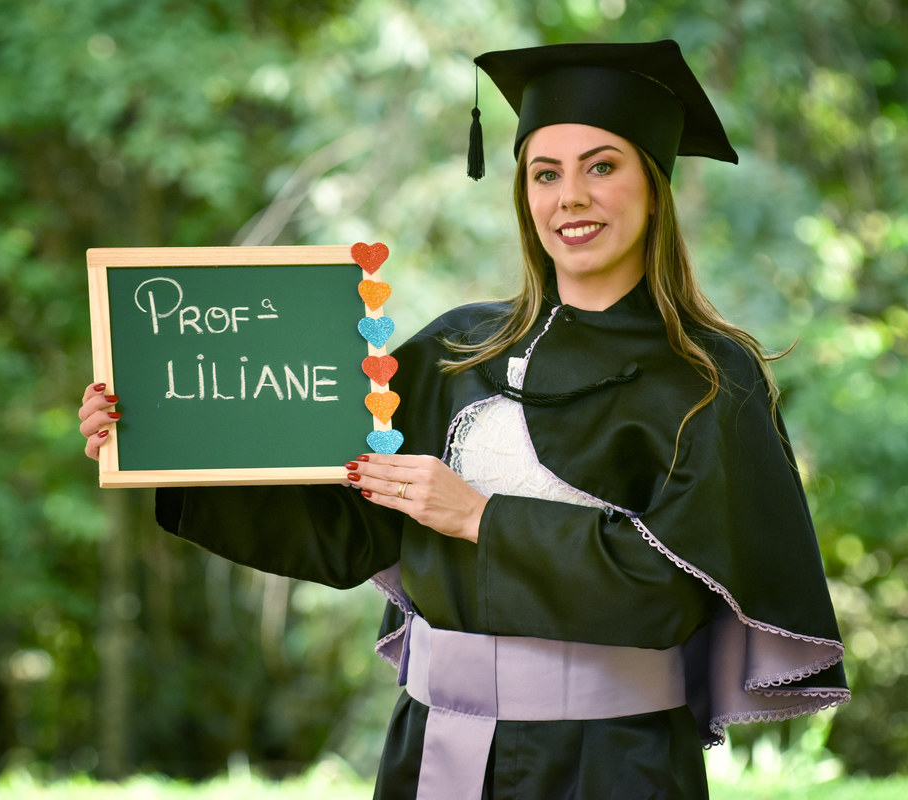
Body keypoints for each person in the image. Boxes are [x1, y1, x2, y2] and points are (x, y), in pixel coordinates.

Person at [78, 41, 848, 800]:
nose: (570, 197)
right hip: (435, 749)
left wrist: (480, 518)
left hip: (615, 759)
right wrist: (161, 439)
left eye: (601, 167)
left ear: (654, 187)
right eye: (545, 173)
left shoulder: (710, 378)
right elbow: (348, 530)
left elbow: (672, 592)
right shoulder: (455, 349)